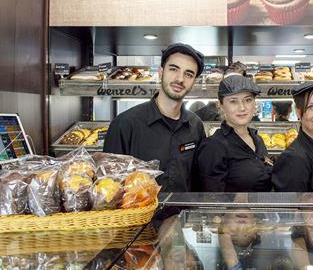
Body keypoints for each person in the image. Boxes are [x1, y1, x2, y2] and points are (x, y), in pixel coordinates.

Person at [104, 43, 206, 192]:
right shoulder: (125, 124)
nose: (180, 79)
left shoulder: (195, 126)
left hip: (183, 215)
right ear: (160, 72)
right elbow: (109, 187)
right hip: (138, 215)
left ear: (193, 82)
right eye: (173, 69)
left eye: (188, 74)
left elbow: (197, 182)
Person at [196, 75, 273, 192]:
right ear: (220, 105)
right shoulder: (213, 147)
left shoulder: (258, 140)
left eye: (248, 100)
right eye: (233, 101)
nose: (242, 108)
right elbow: (212, 199)